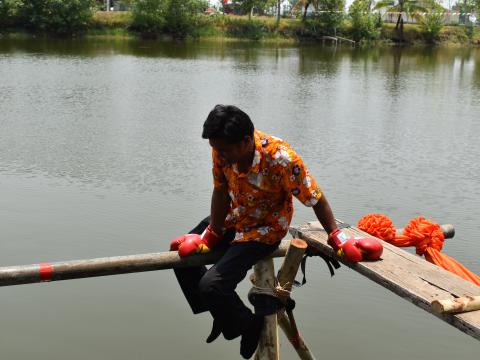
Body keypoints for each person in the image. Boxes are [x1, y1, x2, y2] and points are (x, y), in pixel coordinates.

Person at [170, 105, 382, 359]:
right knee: (181, 260)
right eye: (216, 148)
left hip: (263, 229)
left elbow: (316, 199)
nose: (219, 155)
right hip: (234, 215)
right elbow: (219, 191)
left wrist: (336, 236)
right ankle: (224, 315)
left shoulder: (281, 158)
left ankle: (247, 325)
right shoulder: (222, 151)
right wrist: (212, 233)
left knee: (212, 286)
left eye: (224, 149)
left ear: (246, 141)